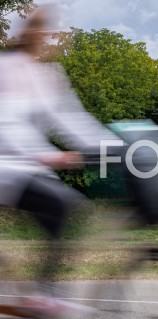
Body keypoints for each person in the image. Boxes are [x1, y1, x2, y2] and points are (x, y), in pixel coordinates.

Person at [0, 6, 120, 316]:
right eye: (38, 28)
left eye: (47, 29)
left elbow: (72, 121)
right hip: (6, 166)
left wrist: (116, 147)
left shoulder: (47, 75)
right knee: (60, 204)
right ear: (28, 33)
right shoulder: (6, 67)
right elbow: (7, 124)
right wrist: (51, 156)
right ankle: (42, 295)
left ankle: (39, 294)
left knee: (67, 207)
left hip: (26, 170)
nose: (42, 35)